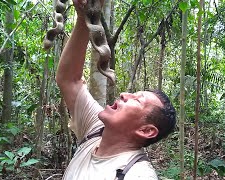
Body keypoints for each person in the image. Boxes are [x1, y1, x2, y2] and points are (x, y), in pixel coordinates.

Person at [55, 0, 176, 179]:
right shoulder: (95, 131)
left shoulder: (138, 175)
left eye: (137, 100)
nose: (124, 94)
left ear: (146, 130)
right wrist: (84, 15)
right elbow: (69, 80)